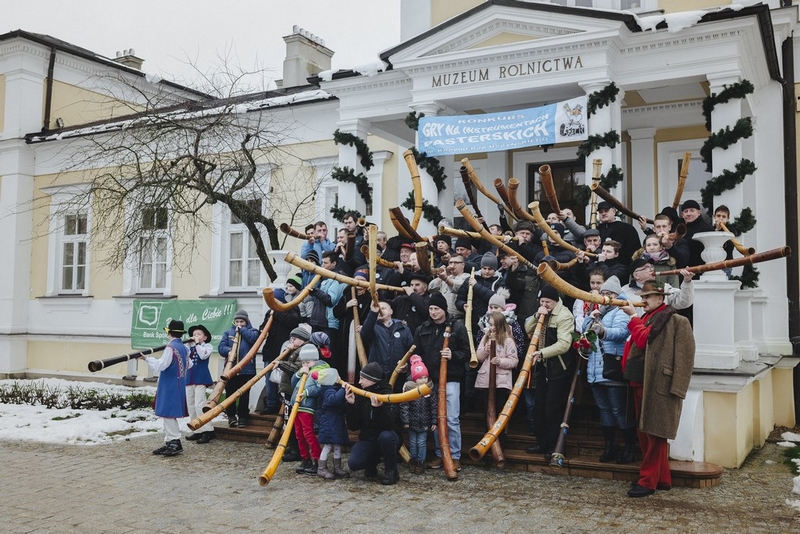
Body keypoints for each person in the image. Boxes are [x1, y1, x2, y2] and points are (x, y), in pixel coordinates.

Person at [620, 281, 695, 497]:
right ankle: (662, 478)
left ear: (660, 298)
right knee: (646, 433)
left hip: (658, 385)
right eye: (642, 297)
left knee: (655, 434)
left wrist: (633, 317)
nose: (643, 300)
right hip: (641, 382)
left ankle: (647, 481)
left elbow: (645, 340)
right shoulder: (648, 317)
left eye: (648, 297)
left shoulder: (673, 320)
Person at [580, 277, 637, 464]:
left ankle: (630, 448)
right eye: (603, 293)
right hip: (595, 370)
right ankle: (609, 447)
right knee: (604, 409)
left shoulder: (621, 310)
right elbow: (585, 332)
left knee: (619, 410)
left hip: (613, 368)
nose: (605, 296)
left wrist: (603, 331)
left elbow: (621, 332)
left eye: (609, 293)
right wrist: (591, 318)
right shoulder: (599, 312)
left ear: (616, 294)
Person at [414, 292, 470, 471]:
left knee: (451, 419)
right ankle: (440, 454)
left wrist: (453, 355)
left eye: (436, 309)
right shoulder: (422, 328)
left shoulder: (458, 327)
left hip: (451, 379)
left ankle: (455, 455)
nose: (433, 312)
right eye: (431, 308)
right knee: (436, 419)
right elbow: (416, 354)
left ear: (444, 309)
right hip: (429, 381)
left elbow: (467, 354)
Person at [523, 285, 576, 461]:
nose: (544, 305)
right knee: (539, 406)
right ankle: (542, 443)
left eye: (547, 302)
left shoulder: (564, 315)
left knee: (552, 408)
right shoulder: (542, 312)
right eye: (542, 301)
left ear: (555, 301)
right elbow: (528, 329)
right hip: (543, 367)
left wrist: (542, 353)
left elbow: (564, 344)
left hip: (559, 367)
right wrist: (536, 316)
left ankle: (554, 445)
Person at [345, 362, 403, 485]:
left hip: (389, 438)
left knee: (386, 437)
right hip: (368, 439)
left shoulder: (388, 394)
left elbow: (389, 424)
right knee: (354, 463)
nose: (359, 382)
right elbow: (353, 426)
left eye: (362, 379)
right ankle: (371, 463)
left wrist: (378, 409)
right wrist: (351, 405)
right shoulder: (362, 394)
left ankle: (391, 471)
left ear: (372, 380)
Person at [145, 320, 191, 457]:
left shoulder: (170, 348)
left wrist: (147, 359)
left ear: (169, 333)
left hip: (170, 384)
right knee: (168, 413)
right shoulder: (184, 348)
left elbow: (161, 365)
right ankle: (169, 441)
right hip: (179, 382)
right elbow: (190, 364)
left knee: (168, 413)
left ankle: (175, 442)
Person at [258, 288, 300, 415]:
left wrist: (276, 312)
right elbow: (263, 326)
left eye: (274, 300)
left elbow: (292, 322)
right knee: (269, 380)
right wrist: (262, 330)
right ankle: (271, 404)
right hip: (270, 352)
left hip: (285, 353)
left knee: (284, 380)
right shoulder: (269, 312)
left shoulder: (292, 309)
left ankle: (285, 404)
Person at [217, 309, 260, 428]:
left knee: (244, 396)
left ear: (247, 321)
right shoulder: (228, 333)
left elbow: (253, 339)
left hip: (247, 370)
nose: (239, 324)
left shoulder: (253, 331)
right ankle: (231, 417)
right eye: (237, 322)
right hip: (230, 370)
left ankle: (243, 417)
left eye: (242, 322)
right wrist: (228, 351)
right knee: (230, 393)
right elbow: (221, 348)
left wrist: (242, 330)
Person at [290, 343, 328, 476]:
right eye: (303, 362)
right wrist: (299, 373)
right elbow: (293, 383)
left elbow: (319, 389)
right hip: (296, 407)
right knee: (299, 435)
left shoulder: (318, 372)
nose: (305, 365)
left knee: (308, 434)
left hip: (307, 407)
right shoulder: (304, 371)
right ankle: (305, 459)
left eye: (308, 362)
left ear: (315, 360)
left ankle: (317, 461)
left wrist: (306, 392)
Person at [475, 311, 519, 421]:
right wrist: (486, 351)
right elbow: (479, 357)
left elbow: (514, 361)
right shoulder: (486, 337)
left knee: (499, 411)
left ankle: (500, 431)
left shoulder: (508, 340)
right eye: (490, 324)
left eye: (495, 325)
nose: (492, 327)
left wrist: (500, 361)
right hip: (486, 380)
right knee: (487, 411)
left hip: (501, 382)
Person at [399, 355, 437, 474]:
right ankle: (413, 460)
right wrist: (405, 421)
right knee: (413, 442)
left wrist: (434, 421)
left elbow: (433, 406)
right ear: (415, 378)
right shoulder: (409, 389)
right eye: (420, 378)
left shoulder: (429, 389)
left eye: (425, 377)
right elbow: (404, 405)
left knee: (421, 442)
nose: (424, 380)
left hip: (425, 421)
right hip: (412, 421)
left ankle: (421, 461)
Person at [360, 300, 414, 382]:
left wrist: (407, 364)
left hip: (399, 375)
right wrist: (373, 312)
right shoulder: (373, 327)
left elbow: (411, 350)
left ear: (391, 311)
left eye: (383, 308)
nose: (380, 311)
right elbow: (365, 333)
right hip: (378, 375)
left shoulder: (404, 329)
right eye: (378, 309)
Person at [312, 367, 350, 480]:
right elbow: (334, 400)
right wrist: (342, 389)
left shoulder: (332, 389)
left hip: (336, 422)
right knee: (327, 446)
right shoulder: (328, 391)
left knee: (337, 445)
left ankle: (337, 468)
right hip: (329, 423)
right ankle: (321, 468)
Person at [185, 324, 215, 444]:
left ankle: (208, 430)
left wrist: (197, 344)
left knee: (199, 404)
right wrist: (189, 344)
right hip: (189, 378)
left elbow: (203, 355)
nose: (196, 336)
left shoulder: (207, 346)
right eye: (194, 334)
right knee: (191, 405)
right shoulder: (190, 347)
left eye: (199, 334)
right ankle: (197, 428)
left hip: (201, 378)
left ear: (205, 337)